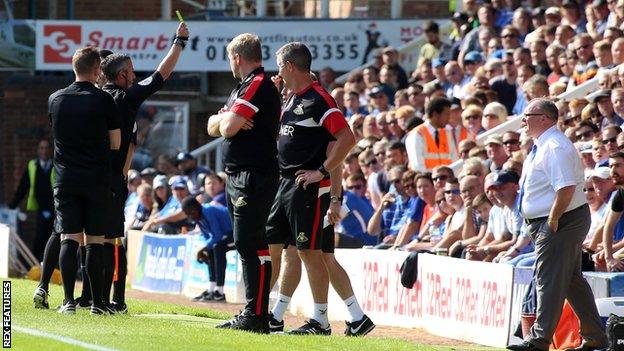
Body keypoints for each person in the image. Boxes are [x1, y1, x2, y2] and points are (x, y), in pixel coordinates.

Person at [265, 42, 373, 336]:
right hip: (289, 185)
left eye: (279, 66)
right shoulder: (292, 98)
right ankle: (271, 312)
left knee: (312, 253)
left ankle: (321, 319)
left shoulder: (320, 100)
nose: (277, 72)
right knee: (293, 251)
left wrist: (327, 183)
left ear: (289, 66)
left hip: (311, 189)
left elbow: (345, 141)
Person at [98, 21, 189, 313]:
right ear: (123, 75)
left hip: (87, 177)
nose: (135, 74)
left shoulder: (92, 98)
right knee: (114, 240)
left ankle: (87, 298)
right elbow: (162, 74)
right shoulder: (127, 97)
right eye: (132, 70)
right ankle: (117, 300)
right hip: (114, 180)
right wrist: (179, 41)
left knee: (86, 239)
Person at [507, 98, 607, 351]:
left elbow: (565, 188)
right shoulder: (543, 145)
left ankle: (538, 339)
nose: (523, 120)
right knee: (571, 280)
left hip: (561, 219)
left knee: (548, 278)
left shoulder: (554, 146)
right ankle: (595, 335)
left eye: (528, 115)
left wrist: (552, 220)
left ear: (545, 118)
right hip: (557, 219)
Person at [206, 33, 280, 333]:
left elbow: (228, 125)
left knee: (251, 243)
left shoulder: (257, 83)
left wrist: (227, 120)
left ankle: (256, 314)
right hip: (239, 174)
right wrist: (224, 118)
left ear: (237, 57)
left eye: (229, 59)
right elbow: (216, 126)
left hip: (254, 173)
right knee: (248, 243)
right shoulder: (242, 87)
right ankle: (255, 311)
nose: (230, 64)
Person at [43, 46, 121, 315]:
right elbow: (115, 142)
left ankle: (67, 301)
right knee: (95, 241)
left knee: (69, 238)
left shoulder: (55, 99)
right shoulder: (103, 100)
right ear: (97, 69)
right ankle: (98, 303)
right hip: (96, 178)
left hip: (65, 178)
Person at [10, 139, 55, 262]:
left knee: (53, 238)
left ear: (50, 150)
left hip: (55, 209)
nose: (44, 151)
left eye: (46, 148)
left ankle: (53, 266)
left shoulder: (56, 166)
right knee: (39, 237)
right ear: (37, 151)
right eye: (41, 148)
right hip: (40, 208)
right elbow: (23, 187)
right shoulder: (32, 166)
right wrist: (12, 206)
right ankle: (36, 265)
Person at [182, 196, 233, 302]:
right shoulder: (198, 218)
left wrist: (202, 250)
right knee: (210, 250)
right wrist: (205, 250)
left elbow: (217, 235)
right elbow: (208, 237)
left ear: (196, 207)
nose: (190, 216)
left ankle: (220, 292)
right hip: (225, 235)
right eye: (187, 214)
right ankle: (211, 289)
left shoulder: (208, 211)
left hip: (236, 233)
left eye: (190, 212)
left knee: (217, 247)